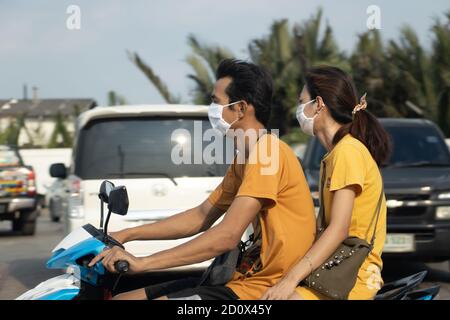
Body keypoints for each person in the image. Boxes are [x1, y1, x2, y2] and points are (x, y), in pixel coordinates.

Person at [89, 59, 316, 300]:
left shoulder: (268, 152)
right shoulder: (245, 158)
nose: (212, 108)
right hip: (242, 280)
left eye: (216, 102)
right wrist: (126, 234)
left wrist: (144, 263)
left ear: (241, 109)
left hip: (261, 290)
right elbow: (200, 216)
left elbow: (227, 235)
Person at [261, 66, 391, 300]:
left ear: (319, 104)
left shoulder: (347, 152)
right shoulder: (335, 154)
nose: (298, 109)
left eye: (302, 101)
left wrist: (290, 280)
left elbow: (338, 228)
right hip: (336, 271)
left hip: (353, 277)